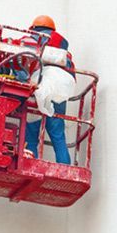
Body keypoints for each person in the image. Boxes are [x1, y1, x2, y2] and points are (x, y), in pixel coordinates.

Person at [25, 15, 75, 164]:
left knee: (31, 136)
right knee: (58, 136)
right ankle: (65, 168)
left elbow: (22, 66)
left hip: (37, 89)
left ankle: (30, 165)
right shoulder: (63, 50)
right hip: (58, 92)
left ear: (34, 28)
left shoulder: (31, 41)